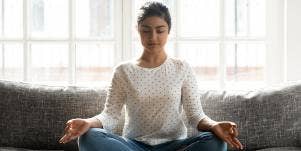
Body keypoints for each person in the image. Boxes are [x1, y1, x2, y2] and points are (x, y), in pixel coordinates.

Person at [59, 2, 243, 151]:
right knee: (89, 137)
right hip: (133, 145)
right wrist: (88, 123)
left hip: (175, 145)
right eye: (146, 30)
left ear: (168, 31)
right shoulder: (123, 71)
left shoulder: (182, 68)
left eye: (160, 30)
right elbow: (110, 115)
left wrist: (214, 126)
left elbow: (196, 115)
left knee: (216, 141)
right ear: (138, 30)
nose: (152, 37)